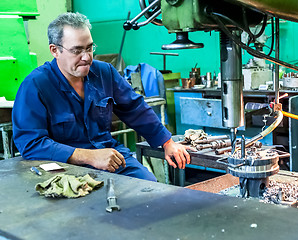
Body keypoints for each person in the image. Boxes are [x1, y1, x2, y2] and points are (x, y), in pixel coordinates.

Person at [12, 12, 192, 181]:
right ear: (55, 50)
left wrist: (167, 142)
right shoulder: (35, 86)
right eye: (77, 50)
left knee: (151, 188)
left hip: (110, 157)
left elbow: (134, 108)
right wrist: (88, 156)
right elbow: (30, 143)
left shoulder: (104, 73)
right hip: (63, 168)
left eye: (89, 48)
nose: (86, 57)